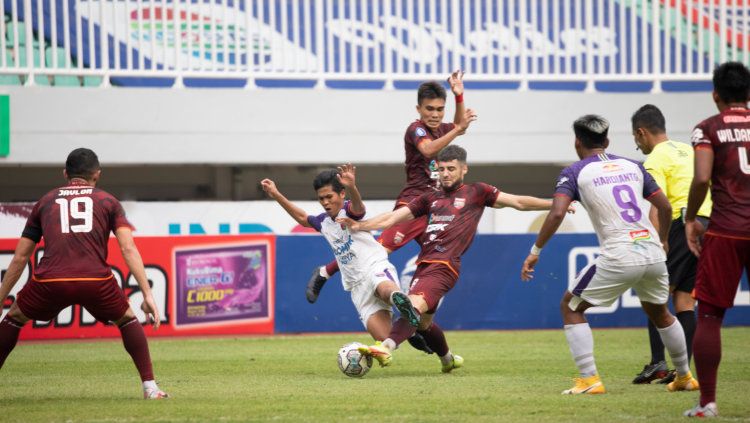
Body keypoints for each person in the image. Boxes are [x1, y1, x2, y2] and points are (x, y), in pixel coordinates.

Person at [339, 145, 565, 373]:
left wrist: (555, 204)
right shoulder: (429, 198)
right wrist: (361, 225)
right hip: (424, 265)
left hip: (444, 266)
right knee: (424, 324)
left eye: (451, 169)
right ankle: (448, 360)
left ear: (464, 169)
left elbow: (518, 202)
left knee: (412, 305)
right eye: (442, 169)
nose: (446, 173)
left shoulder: (477, 192)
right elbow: (393, 218)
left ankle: (386, 347)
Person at [521, 115, 699, 396]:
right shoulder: (634, 166)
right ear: (607, 141)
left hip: (619, 253)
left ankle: (589, 379)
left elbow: (557, 212)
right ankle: (685, 376)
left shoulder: (575, 171)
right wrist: (663, 239)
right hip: (651, 251)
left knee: (571, 307)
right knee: (661, 312)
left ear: (577, 142)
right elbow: (665, 207)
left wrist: (535, 251)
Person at [0, 148, 168, 399]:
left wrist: (1, 296)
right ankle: (150, 388)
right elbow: (127, 247)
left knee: (13, 318)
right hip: (95, 280)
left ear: (65, 173)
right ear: (97, 174)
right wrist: (147, 294)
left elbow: (21, 257)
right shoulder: (108, 202)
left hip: (51, 280)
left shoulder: (45, 202)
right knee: (128, 320)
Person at [306, 71, 476, 305]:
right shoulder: (415, 129)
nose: (435, 114)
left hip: (435, 207)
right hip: (415, 203)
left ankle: (421, 317)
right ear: (418, 109)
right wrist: (457, 129)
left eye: (439, 109)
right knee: (380, 249)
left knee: (435, 257)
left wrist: (459, 96)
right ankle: (325, 271)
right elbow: (430, 148)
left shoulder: (442, 128)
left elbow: (459, 125)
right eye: (429, 109)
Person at [260, 164, 420, 341]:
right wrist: (276, 194)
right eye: (321, 198)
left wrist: (352, 186)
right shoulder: (323, 222)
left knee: (385, 290)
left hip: (375, 266)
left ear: (342, 194)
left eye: (329, 197)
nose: (325, 202)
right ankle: (409, 331)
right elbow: (302, 218)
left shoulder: (350, 210)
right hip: (356, 286)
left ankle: (399, 299)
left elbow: (359, 208)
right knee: (385, 338)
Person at [682, 61, 750, 418]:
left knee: (709, 316)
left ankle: (707, 402)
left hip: (725, 229)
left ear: (715, 94)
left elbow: (702, 178)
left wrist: (691, 217)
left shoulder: (707, 128)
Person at [630, 104, 712, 385]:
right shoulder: (688, 150)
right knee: (685, 300)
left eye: (635, 138)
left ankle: (658, 363)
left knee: (654, 295)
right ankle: (682, 370)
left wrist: (658, 240)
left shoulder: (655, 159)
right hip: (706, 222)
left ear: (642, 133)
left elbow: (659, 204)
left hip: (679, 222)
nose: (636, 144)